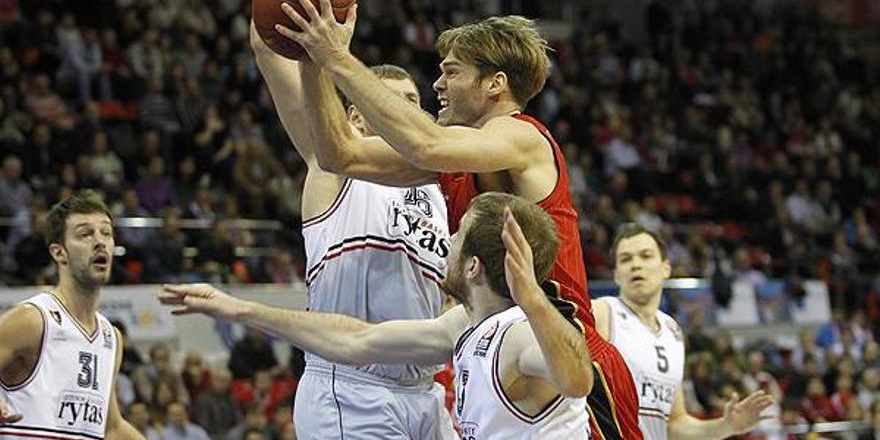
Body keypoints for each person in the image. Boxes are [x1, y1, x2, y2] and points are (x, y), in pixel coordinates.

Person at [273, 0, 642, 438]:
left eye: (452, 72)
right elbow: (339, 155)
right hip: (491, 351)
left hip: (559, 355)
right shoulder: (456, 158)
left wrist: (338, 58)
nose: (438, 86)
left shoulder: (521, 136)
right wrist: (313, 59)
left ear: (495, 83)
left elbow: (426, 143)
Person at [160, 192, 593, 439]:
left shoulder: (517, 332)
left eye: (457, 236)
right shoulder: (466, 326)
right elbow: (357, 340)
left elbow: (577, 378)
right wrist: (239, 308)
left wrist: (534, 299)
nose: (448, 243)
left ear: (474, 266)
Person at [250, 0, 454, 438]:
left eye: (413, 103)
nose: (406, 112)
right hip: (351, 388)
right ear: (356, 115)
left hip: (425, 392)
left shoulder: (439, 184)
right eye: (391, 100)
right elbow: (265, 44)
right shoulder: (334, 162)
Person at [593, 223, 775, 440]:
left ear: (665, 268)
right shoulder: (602, 312)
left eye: (645, 256)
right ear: (615, 275)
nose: (635, 265)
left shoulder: (673, 332)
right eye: (625, 259)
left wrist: (727, 426)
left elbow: (676, 424)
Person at [0, 190, 143, 439]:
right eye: (85, 234)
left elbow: (112, 427)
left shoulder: (111, 338)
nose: (100, 242)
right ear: (59, 252)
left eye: (106, 233)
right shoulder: (32, 320)